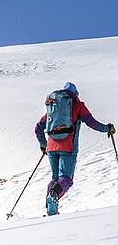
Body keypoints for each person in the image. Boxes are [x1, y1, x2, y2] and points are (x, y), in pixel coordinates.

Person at [35, 82, 115, 216]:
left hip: (51, 148)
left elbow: (38, 128)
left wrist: (43, 146)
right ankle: (53, 197)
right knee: (65, 179)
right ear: (75, 94)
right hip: (68, 147)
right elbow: (92, 123)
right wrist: (107, 128)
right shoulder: (78, 105)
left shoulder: (52, 108)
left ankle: (50, 209)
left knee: (55, 179)